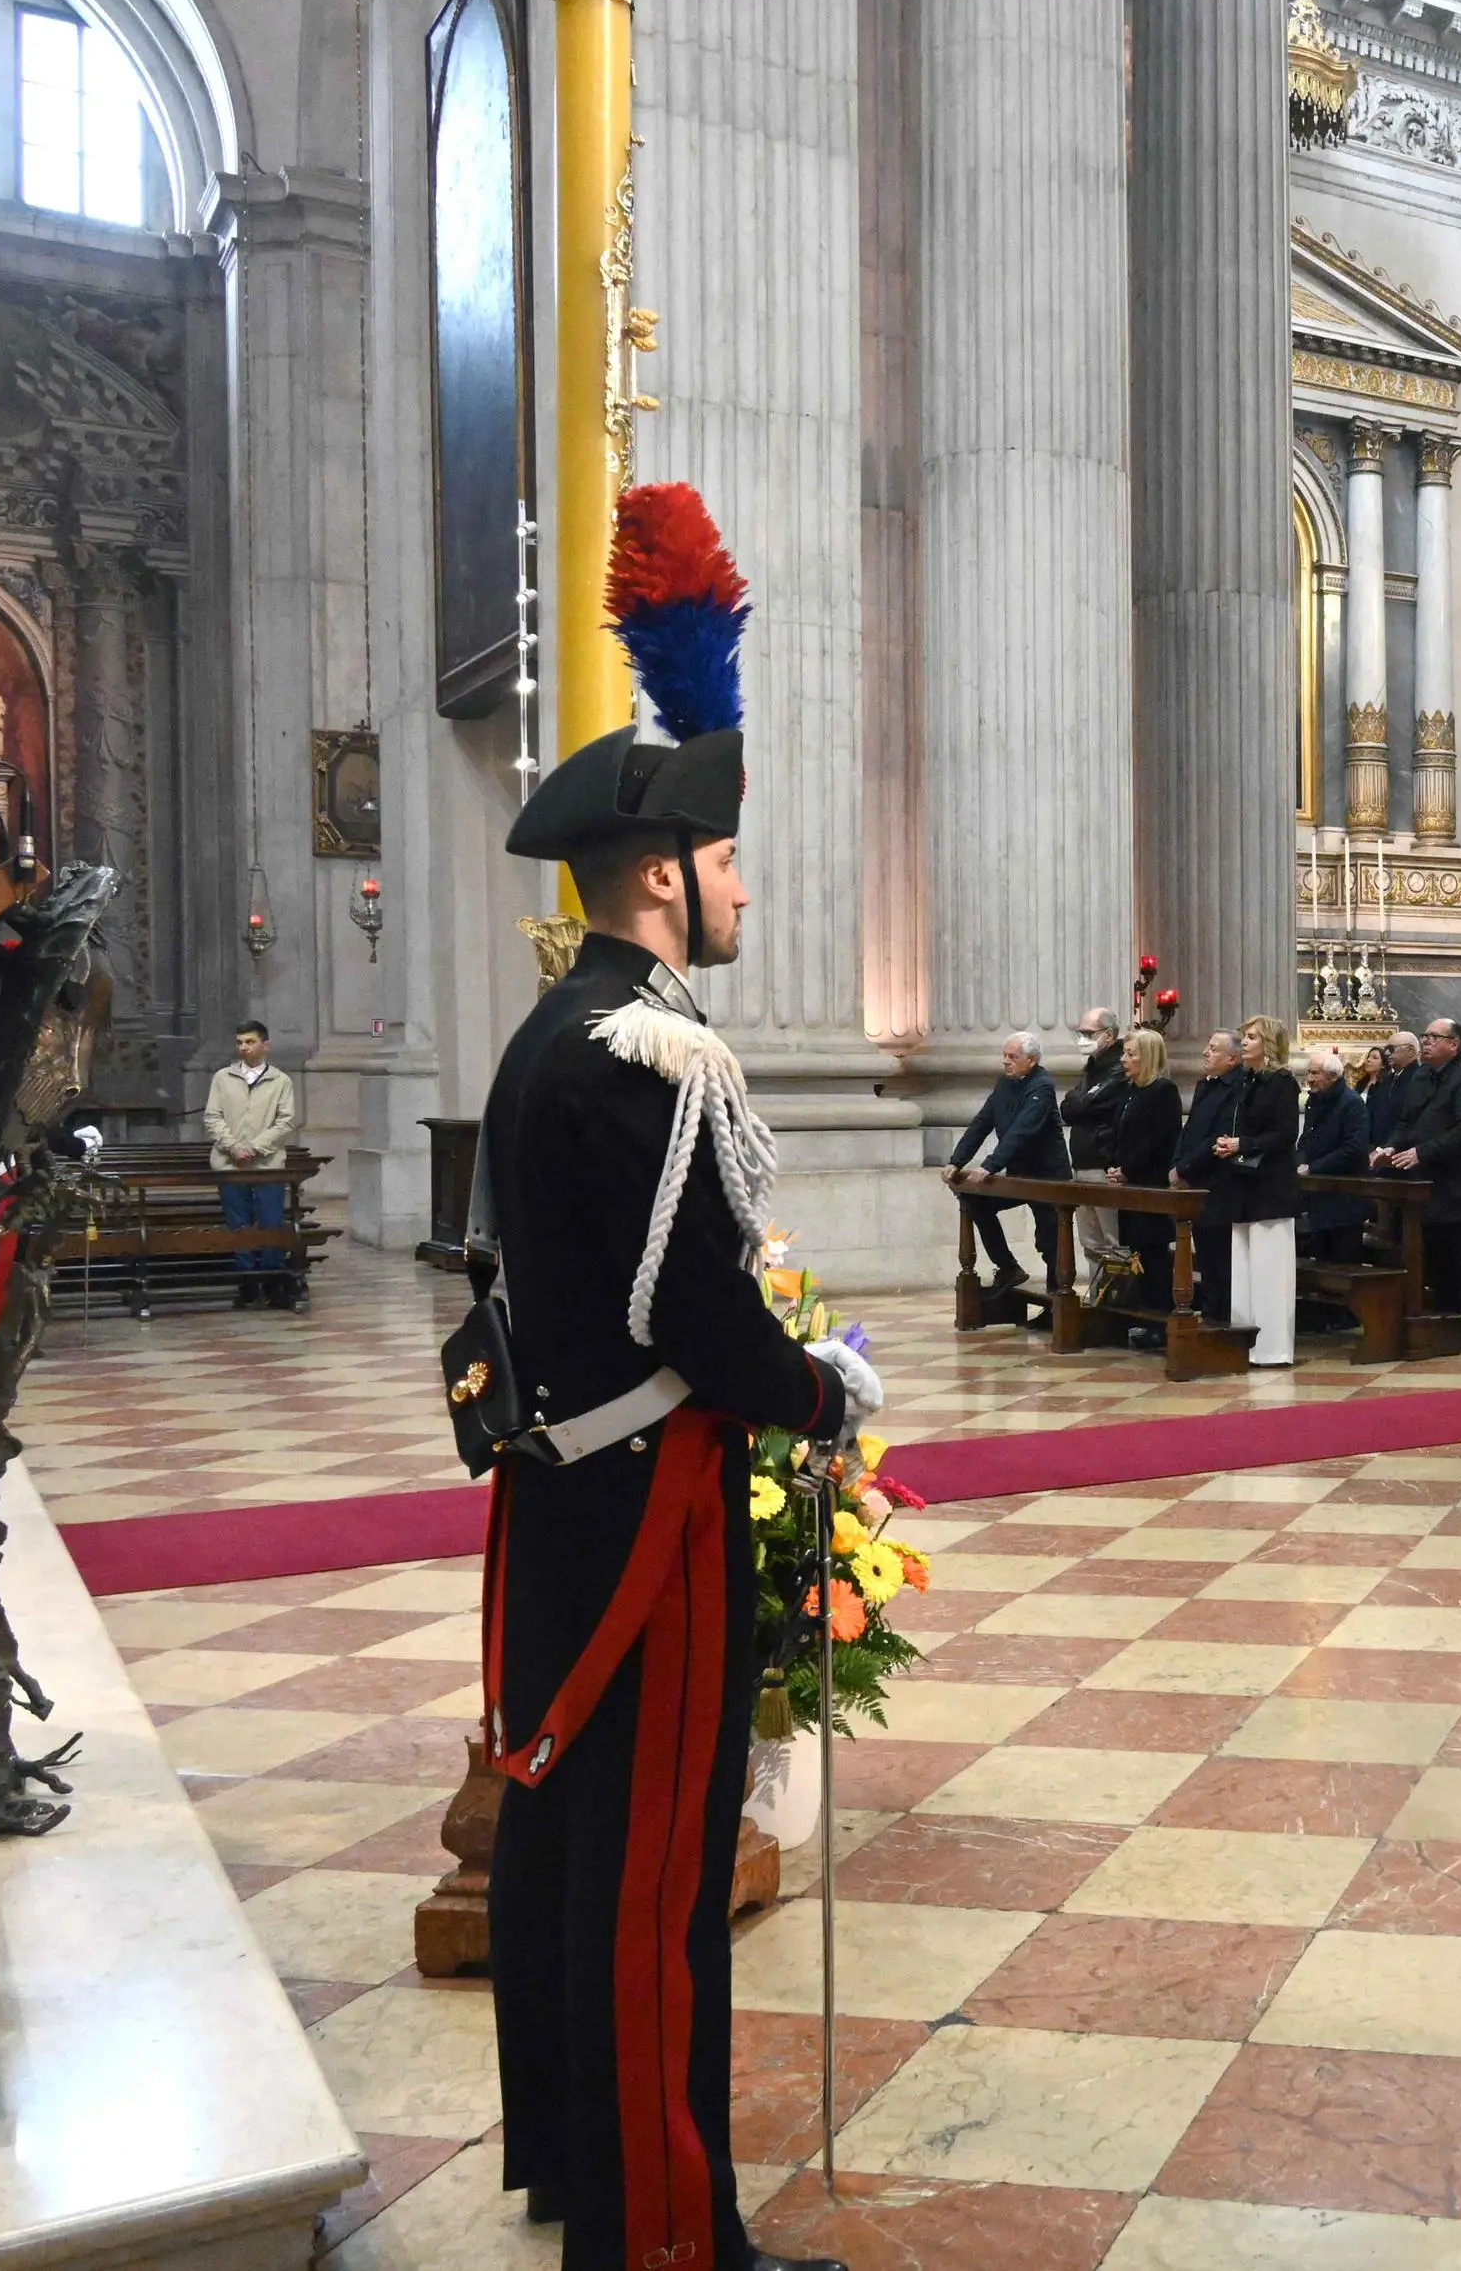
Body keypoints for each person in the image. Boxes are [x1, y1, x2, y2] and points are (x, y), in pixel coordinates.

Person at [481, 673, 875, 2271]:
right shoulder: (646, 1051)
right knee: (655, 1875)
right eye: (725, 859)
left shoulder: (546, 1034)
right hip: (651, 1512)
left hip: (562, 1497)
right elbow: (695, 1310)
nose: (743, 885)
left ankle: (584, 2169)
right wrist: (814, 1392)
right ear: (661, 872)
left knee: (569, 1853)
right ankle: (664, 2242)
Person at [1372, 1019, 1461, 1345]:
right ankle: (1442, 1323)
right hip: (1429, 1187)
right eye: (1424, 1037)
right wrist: (1391, 1145)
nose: (1426, 1042)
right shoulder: (1422, 1076)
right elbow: (1407, 1120)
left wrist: (1422, 1152)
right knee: (1437, 1259)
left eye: (1433, 1037)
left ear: (1453, 1045)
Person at [1200, 1015, 1302, 1365]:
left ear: (1270, 1044)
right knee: (1243, 1267)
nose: (1244, 1042)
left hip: (1271, 1187)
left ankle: (1272, 1347)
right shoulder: (1248, 1082)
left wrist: (1242, 1142)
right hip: (1242, 1186)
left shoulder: (1283, 1082)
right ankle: (1244, 1342)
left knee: (1269, 1269)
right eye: (1243, 1036)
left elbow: (1286, 1134)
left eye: (1252, 1037)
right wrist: (1229, 1143)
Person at [943, 1032, 1070, 1292]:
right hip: (1019, 1175)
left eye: (1013, 1057)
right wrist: (956, 1161)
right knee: (975, 1199)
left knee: (1050, 1239)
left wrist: (990, 1165)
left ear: (1031, 1060)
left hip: (1047, 1176)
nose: (1005, 1062)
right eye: (1004, 1056)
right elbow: (982, 1122)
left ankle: (1057, 1301)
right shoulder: (1005, 1083)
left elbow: (1022, 1130)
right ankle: (1008, 1267)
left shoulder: (1041, 1086)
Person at [204, 1018, 301, 1309]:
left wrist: (256, 1149)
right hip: (230, 1164)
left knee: (271, 1222)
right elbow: (212, 1117)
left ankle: (273, 1282)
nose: (243, 1047)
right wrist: (233, 1147)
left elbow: (286, 1122)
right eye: (240, 1042)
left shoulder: (280, 1080)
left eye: (249, 1041)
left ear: (265, 1045)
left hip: (267, 1163)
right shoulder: (223, 1078)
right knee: (239, 1224)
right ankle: (246, 1282)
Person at [1108, 1027, 1185, 1342]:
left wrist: (1128, 1169)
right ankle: (1144, 1314)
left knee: (1152, 1254)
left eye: (1131, 1054)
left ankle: (1159, 1319)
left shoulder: (1163, 1091)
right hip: (1129, 1183)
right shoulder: (1130, 1091)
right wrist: (1113, 1167)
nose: (1125, 1060)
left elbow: (1160, 1140)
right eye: (1125, 1053)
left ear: (1149, 1056)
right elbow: (1117, 1133)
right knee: (1137, 1252)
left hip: (1150, 1183)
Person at [1173, 1030, 1242, 1333]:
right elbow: (1189, 1131)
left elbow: (1219, 1136)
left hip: (1219, 1181)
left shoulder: (1236, 1087)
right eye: (1208, 1047)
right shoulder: (1206, 1084)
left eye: (1214, 1049)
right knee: (1204, 1250)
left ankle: (1222, 1317)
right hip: (1195, 1179)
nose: (1205, 1052)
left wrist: (1186, 1168)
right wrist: (1177, 1165)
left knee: (1220, 1254)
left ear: (1233, 1059)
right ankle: (1211, 1312)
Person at [1062, 1008, 1132, 1288]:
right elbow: (1068, 1108)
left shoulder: (1118, 1066)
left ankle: (1119, 1304)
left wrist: (1081, 1102)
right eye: (1080, 1032)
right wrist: (1081, 1102)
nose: (1082, 1038)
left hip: (1103, 1163)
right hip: (1081, 1161)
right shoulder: (1091, 1066)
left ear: (1109, 1035)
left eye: (1088, 1033)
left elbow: (1083, 1104)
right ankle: (1097, 1300)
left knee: (1113, 1243)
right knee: (1091, 1243)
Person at [1298, 1046, 1372, 1267]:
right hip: (1318, 1197)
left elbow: (1354, 1148)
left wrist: (1313, 1167)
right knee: (1319, 1259)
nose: (1310, 1079)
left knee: (1343, 1259)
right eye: (1309, 1073)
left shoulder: (1351, 1102)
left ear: (1333, 1076)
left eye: (1315, 1073)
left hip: (1345, 1197)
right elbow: (1305, 1139)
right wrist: (1300, 1160)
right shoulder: (1314, 1100)